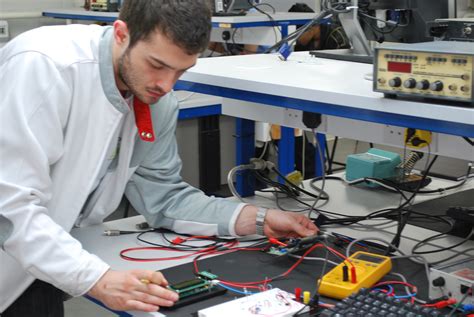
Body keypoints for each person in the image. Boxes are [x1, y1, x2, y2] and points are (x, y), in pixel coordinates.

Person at [0, 0, 318, 316]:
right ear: (121, 33)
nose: (166, 86)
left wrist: (259, 219)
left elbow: (165, 198)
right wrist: (96, 278)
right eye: (157, 65)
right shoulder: (44, 65)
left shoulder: (155, 102)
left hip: (37, 265)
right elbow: (9, 208)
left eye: (181, 71)